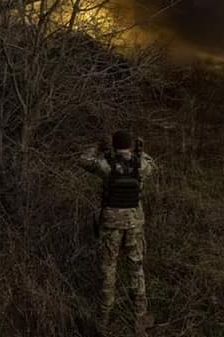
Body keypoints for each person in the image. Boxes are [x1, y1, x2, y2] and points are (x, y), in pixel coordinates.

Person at [79, 129, 156, 336]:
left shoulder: (106, 165)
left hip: (111, 224)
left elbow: (84, 160)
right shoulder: (141, 164)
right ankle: (140, 319)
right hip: (134, 224)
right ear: (130, 145)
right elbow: (152, 164)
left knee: (108, 270)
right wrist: (140, 150)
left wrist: (98, 146)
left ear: (114, 145)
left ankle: (103, 322)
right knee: (136, 268)